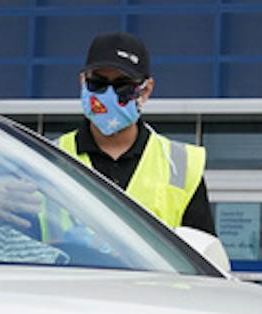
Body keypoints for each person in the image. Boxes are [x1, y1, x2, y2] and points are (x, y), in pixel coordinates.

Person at [56, 32, 214, 234]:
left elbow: (202, 252)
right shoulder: (49, 158)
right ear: (82, 82)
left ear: (146, 90)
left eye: (123, 85)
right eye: (98, 83)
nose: (109, 95)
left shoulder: (180, 165)